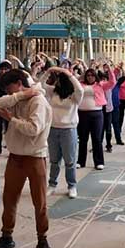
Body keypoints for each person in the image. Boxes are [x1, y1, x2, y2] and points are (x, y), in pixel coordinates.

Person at [0, 69, 53, 248]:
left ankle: (42, 239)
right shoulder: (18, 98)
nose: (8, 93)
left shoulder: (38, 101)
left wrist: (11, 119)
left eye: (9, 88)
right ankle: (6, 236)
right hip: (15, 157)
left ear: (18, 82)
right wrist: (20, 94)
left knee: (39, 202)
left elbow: (33, 129)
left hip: (35, 157)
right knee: (9, 200)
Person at [40, 66, 84, 199]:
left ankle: (72, 186)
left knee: (70, 161)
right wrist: (48, 72)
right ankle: (52, 185)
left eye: (60, 80)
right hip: (53, 129)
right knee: (54, 160)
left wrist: (68, 74)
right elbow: (40, 85)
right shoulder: (53, 92)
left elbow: (80, 89)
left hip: (68, 130)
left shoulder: (74, 95)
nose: (57, 82)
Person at [77, 65, 116, 169]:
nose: (90, 77)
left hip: (97, 114)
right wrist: (81, 71)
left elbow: (112, 83)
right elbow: (72, 81)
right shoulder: (80, 85)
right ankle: (81, 161)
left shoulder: (100, 84)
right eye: (88, 75)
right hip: (82, 113)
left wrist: (110, 70)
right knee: (83, 139)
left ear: (95, 76)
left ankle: (99, 162)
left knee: (97, 139)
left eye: (92, 75)